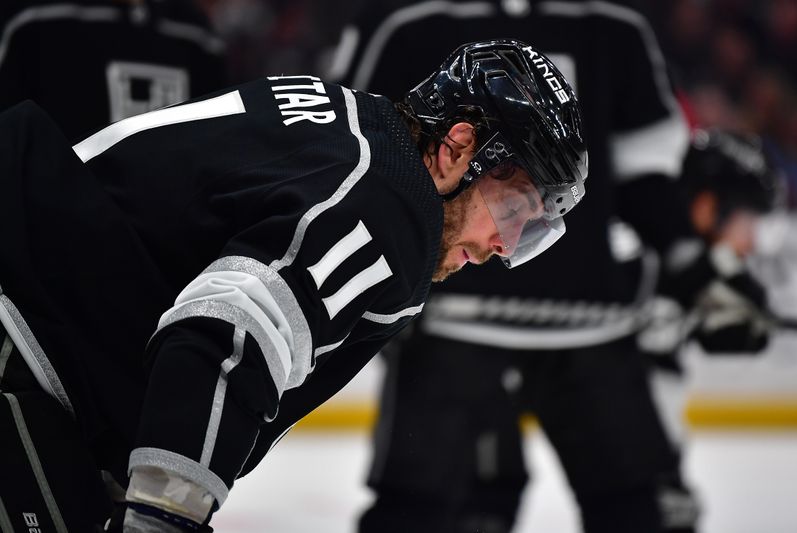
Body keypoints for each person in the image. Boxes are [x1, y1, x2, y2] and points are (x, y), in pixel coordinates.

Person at [0, 39, 587, 532]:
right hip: (24, 328)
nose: (505, 245)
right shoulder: (390, 210)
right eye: (514, 209)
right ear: (458, 147)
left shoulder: (351, 122)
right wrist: (165, 516)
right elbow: (226, 338)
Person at [324, 1, 758, 532]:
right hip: (453, 319)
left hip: (578, 325)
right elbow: (363, 152)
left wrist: (698, 270)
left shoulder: (614, 27)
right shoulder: (411, 19)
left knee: (639, 511)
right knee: (420, 512)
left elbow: (649, 178)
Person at [644, 127, 783, 447]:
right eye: (750, 223)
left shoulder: (694, 271)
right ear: (707, 207)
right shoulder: (636, 256)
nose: (750, 244)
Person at [0, 0, 228, 142]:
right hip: (54, 214)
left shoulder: (196, 35)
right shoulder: (30, 18)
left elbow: (216, 147)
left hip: (168, 213)